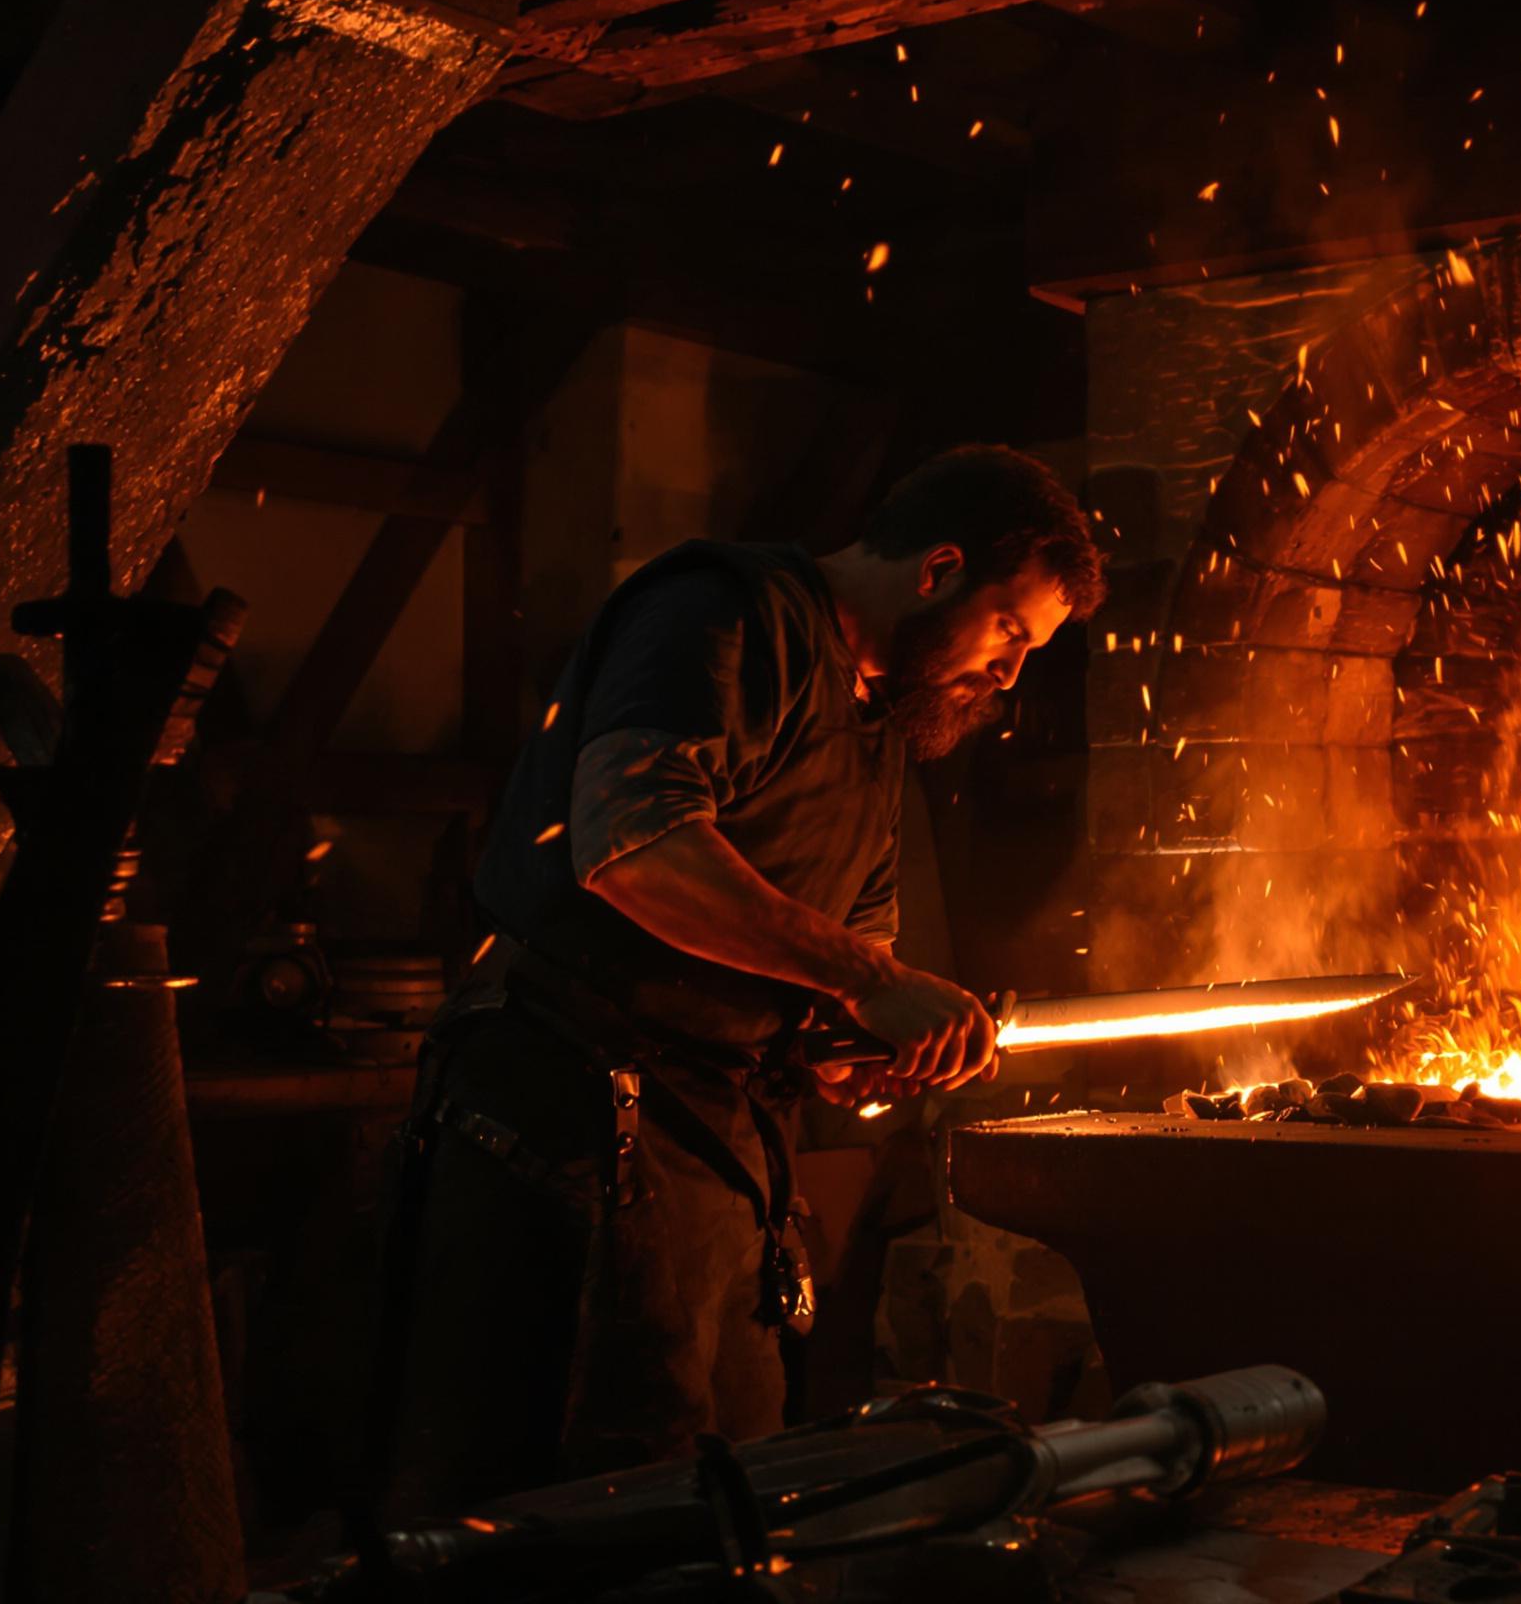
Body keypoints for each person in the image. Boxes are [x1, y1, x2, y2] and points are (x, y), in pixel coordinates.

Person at [373, 445, 1106, 1514]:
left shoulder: (878, 730)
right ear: (939, 567)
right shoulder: (727, 613)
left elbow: (832, 972)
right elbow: (634, 842)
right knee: (582, 1497)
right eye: (1009, 629)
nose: (1009, 674)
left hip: (720, 1140)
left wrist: (861, 1042)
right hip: (571, 1107)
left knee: (730, 1482)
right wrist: (867, 978)